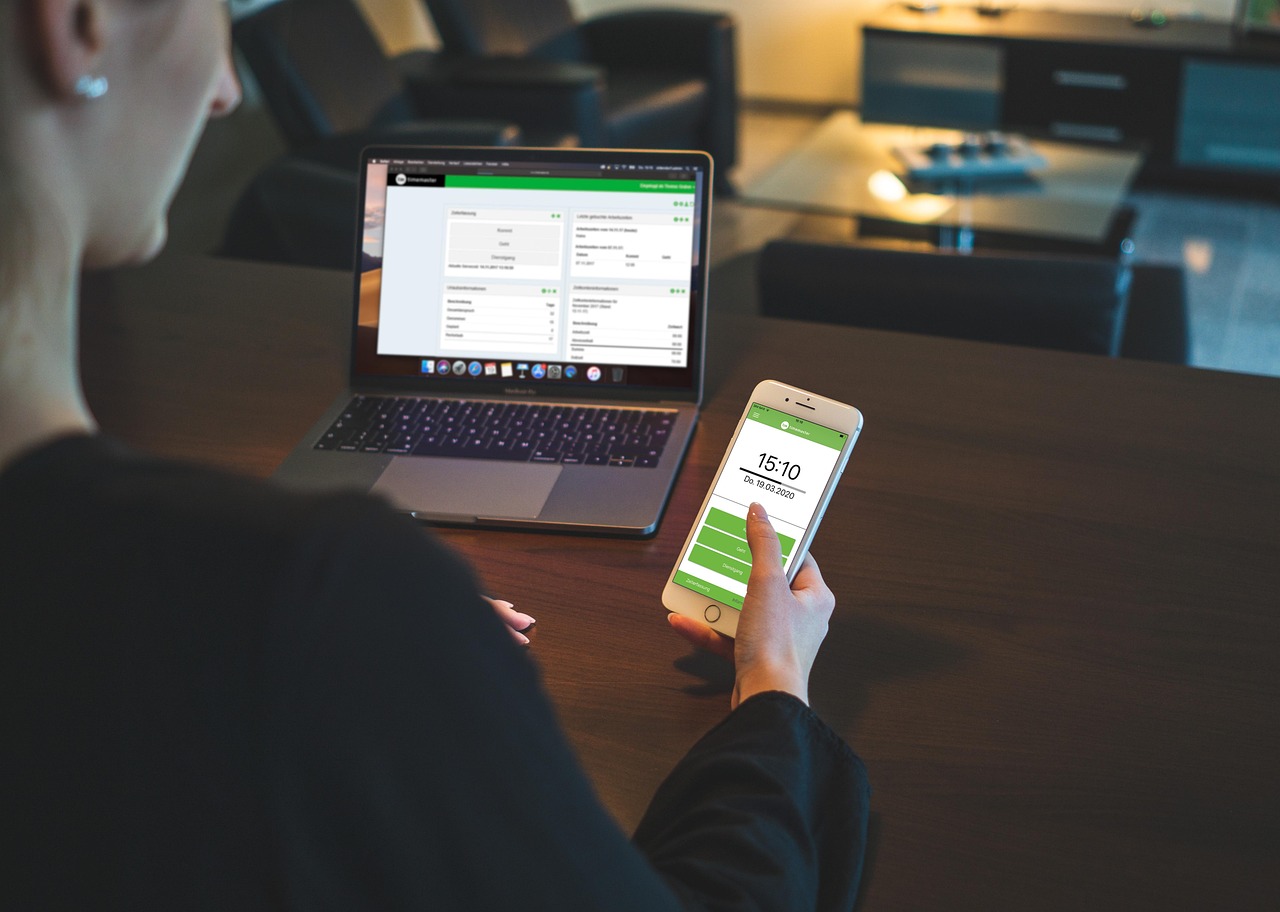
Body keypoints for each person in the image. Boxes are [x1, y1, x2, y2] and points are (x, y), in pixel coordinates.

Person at [0, 1, 870, 909]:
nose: (225, 91)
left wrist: (397, 632)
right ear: (80, 25)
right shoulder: (325, 596)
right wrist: (775, 685)